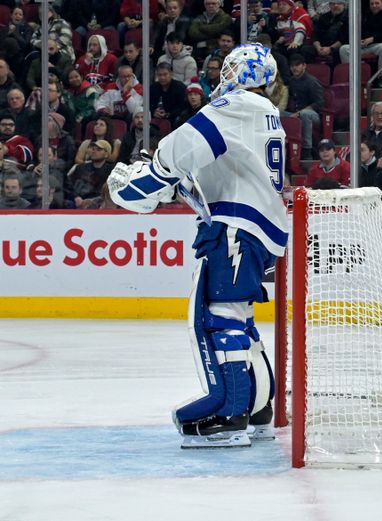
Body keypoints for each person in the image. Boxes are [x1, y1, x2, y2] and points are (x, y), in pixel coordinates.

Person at [107, 43, 288, 448]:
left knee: (218, 314)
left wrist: (143, 178)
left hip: (235, 226)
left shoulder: (237, 107)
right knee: (238, 315)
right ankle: (257, 406)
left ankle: (229, 413)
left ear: (236, 72)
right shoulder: (264, 113)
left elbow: (177, 151)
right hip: (254, 227)